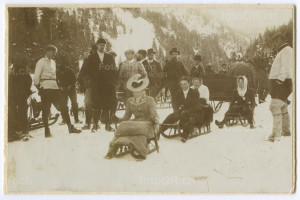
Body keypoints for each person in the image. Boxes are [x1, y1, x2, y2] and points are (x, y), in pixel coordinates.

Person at [105, 74, 159, 160]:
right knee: (122, 126)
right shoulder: (130, 101)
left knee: (139, 128)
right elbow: (126, 116)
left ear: (142, 90)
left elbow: (153, 114)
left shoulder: (150, 100)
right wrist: (118, 119)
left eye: (137, 91)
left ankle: (142, 152)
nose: (135, 93)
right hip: (136, 122)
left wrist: (154, 121)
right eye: (133, 92)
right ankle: (112, 149)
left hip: (149, 122)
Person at [33, 45, 81, 138]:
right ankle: (47, 131)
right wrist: (40, 88)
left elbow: (55, 76)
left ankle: (70, 127)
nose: (54, 54)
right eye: (53, 52)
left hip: (55, 87)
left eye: (55, 53)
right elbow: (36, 77)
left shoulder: (53, 62)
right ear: (48, 51)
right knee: (46, 110)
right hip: (45, 87)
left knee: (64, 106)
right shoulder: (41, 62)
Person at [84, 38, 117, 132]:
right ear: (97, 45)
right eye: (100, 45)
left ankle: (107, 125)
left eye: (104, 45)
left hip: (107, 85)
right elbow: (86, 71)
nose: (102, 46)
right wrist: (90, 81)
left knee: (107, 104)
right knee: (96, 104)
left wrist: (112, 82)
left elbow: (114, 70)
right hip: (96, 85)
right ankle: (95, 125)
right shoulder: (91, 57)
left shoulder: (109, 57)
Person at [267, 32, 293, 142]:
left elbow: (285, 67)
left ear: (279, 40)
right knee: (282, 105)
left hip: (282, 82)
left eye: (275, 41)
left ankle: (276, 134)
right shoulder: (284, 50)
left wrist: (279, 80)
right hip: (282, 82)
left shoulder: (286, 50)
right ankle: (286, 130)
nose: (274, 44)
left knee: (274, 106)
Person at [159, 77, 200, 143]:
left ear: (189, 84)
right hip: (181, 112)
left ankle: (185, 135)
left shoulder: (194, 92)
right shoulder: (178, 93)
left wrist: (187, 110)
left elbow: (196, 106)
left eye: (185, 84)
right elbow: (174, 103)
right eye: (182, 84)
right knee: (171, 116)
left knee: (189, 119)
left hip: (193, 112)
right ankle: (160, 130)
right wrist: (176, 110)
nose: (184, 86)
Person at [8, 59, 32, 142]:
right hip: (19, 95)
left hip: (13, 96)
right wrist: (26, 90)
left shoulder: (10, 71)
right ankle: (24, 131)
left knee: (13, 113)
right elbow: (29, 81)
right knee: (22, 113)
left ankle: (13, 133)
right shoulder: (23, 70)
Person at [56, 55, 82, 124]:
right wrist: (60, 87)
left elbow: (74, 79)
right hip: (63, 90)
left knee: (74, 103)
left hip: (71, 90)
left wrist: (70, 85)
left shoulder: (70, 71)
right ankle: (64, 119)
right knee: (63, 104)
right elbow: (56, 81)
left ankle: (76, 119)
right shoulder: (57, 72)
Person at [77, 45, 97, 130]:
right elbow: (82, 73)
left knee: (93, 104)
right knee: (89, 104)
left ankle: (94, 123)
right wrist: (82, 84)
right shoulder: (88, 60)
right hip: (90, 86)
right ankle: (89, 123)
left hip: (97, 86)